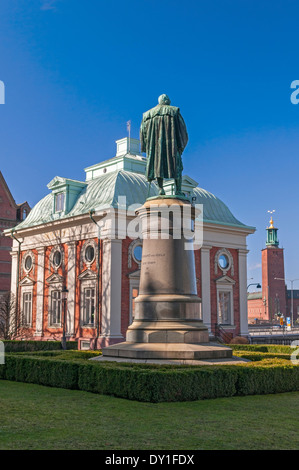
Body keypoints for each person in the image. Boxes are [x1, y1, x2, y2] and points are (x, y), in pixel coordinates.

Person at [140, 94, 188, 196]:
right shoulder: (174, 111)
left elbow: (143, 132)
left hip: (155, 147)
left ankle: (160, 189)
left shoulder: (147, 115)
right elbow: (182, 130)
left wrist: (146, 148)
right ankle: (178, 190)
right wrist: (181, 146)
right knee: (177, 166)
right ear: (166, 101)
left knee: (157, 166)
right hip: (172, 146)